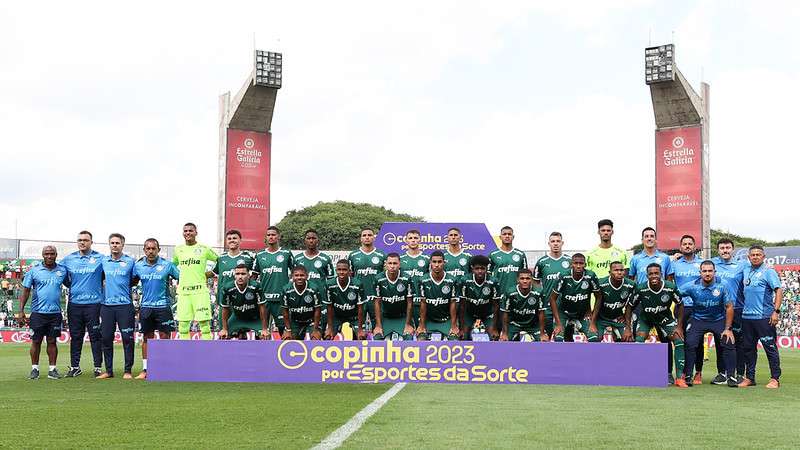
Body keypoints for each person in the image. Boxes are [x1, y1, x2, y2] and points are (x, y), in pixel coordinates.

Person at [625, 263, 687, 388]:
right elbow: (629, 306)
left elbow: (680, 304)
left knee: (679, 340)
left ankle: (680, 378)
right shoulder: (641, 288)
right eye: (651, 274)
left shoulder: (670, 287)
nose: (654, 276)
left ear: (661, 274)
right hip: (646, 319)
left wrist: (679, 326)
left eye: (656, 273)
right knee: (639, 341)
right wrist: (628, 327)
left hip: (665, 319)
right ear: (647, 275)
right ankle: (637, 375)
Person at [680, 260, 738, 387]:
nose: (707, 273)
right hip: (697, 319)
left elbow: (729, 307)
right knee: (690, 343)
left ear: (714, 272)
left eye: (710, 271)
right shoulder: (691, 286)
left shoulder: (723, 285)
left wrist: (728, 328)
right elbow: (676, 294)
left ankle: (731, 376)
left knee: (728, 342)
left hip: (718, 319)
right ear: (700, 272)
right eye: (704, 271)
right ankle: (688, 375)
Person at [17, 246, 68, 380]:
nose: (49, 256)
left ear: (56, 255)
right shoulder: (34, 271)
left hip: (55, 313)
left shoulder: (62, 270)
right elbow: (26, 290)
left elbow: (70, 283)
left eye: (52, 254)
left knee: (52, 341)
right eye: (47, 254)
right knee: (36, 341)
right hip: (38, 313)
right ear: (42, 255)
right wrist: (21, 311)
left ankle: (52, 370)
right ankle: (35, 369)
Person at [132, 238, 180, 379]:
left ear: (158, 250)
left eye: (154, 248)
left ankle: (165, 368)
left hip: (163, 306)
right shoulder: (138, 266)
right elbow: (133, 281)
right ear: (144, 250)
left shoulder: (168, 265)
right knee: (147, 338)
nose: (151, 251)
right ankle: (146, 370)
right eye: (148, 248)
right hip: (146, 307)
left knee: (165, 337)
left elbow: (181, 278)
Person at [60, 231, 104, 377]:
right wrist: (72, 286)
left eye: (85, 240)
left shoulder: (100, 258)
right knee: (76, 336)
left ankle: (98, 368)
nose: (82, 242)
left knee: (95, 336)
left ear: (91, 242)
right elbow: (62, 276)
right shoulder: (68, 259)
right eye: (80, 240)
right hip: (75, 304)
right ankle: (75, 367)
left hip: (94, 304)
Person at [738, 246, 782, 389]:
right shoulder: (745, 270)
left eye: (758, 254)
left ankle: (775, 378)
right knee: (749, 349)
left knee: (770, 348)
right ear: (748, 257)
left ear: (763, 257)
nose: (755, 257)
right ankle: (750, 377)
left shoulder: (768, 271)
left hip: (764, 317)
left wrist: (776, 311)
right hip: (747, 317)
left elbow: (778, 290)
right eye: (752, 255)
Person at [97, 233, 137, 379]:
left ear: (122, 245)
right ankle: (108, 371)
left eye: (117, 243)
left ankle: (127, 371)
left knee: (127, 338)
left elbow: (135, 279)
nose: (115, 245)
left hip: (125, 306)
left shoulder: (130, 262)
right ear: (109, 244)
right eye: (112, 243)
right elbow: (99, 278)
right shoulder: (103, 262)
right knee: (106, 338)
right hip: (107, 306)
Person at [671, 235, 709, 385]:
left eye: (690, 244)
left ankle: (698, 372)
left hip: (697, 307)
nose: (687, 246)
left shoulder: (702, 263)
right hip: (680, 307)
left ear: (694, 246)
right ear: (680, 247)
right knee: (681, 340)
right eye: (684, 244)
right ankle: (683, 372)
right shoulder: (674, 264)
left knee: (697, 341)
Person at [172, 223, 217, 340]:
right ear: (183, 233)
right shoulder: (178, 250)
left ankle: (206, 354)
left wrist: (210, 273)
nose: (188, 233)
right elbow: (172, 265)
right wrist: (178, 276)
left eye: (190, 231)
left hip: (200, 291)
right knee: (183, 326)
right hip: (183, 292)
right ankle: (185, 355)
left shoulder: (204, 249)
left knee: (205, 326)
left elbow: (220, 260)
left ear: (196, 233)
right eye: (185, 231)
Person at [711, 238, 747, 382]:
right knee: (721, 342)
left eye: (727, 247)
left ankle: (739, 374)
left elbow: (757, 266)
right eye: (722, 248)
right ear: (718, 250)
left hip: (737, 308)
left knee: (738, 343)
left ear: (733, 249)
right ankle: (722, 373)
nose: (725, 250)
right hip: (718, 309)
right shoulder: (712, 264)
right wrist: (677, 257)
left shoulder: (742, 264)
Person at [550, 253, 600, 342]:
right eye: (575, 263)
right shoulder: (563, 276)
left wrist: (592, 321)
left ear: (585, 264)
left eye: (581, 263)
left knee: (594, 338)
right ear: (571, 264)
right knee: (558, 338)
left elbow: (599, 297)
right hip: (564, 313)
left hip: (582, 314)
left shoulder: (591, 276)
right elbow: (552, 299)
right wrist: (558, 323)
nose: (578, 266)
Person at [252, 226, 293, 335]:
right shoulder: (260, 255)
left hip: (281, 299)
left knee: (284, 331)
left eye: (273, 234)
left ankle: (283, 352)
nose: (271, 237)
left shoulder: (286, 253)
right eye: (269, 235)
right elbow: (254, 276)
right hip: (264, 299)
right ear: (266, 237)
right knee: (262, 333)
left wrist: (289, 288)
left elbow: (296, 272)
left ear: (278, 237)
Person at [294, 229, 334, 332]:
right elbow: (293, 280)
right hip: (302, 301)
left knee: (321, 332)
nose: (311, 240)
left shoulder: (325, 259)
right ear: (304, 240)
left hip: (320, 301)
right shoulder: (297, 259)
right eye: (308, 238)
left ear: (318, 240)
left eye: (313, 238)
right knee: (299, 333)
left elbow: (330, 282)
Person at [533, 232, 571, 340]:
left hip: (565, 306)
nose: (555, 244)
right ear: (549, 243)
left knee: (566, 337)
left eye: (558, 241)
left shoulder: (569, 261)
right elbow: (535, 283)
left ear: (562, 243)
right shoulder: (541, 262)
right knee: (548, 336)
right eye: (553, 241)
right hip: (547, 307)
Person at [348, 228, 386, 327]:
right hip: (359, 297)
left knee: (378, 327)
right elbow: (350, 277)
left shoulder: (382, 255)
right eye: (364, 235)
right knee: (358, 328)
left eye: (369, 235)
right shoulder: (353, 255)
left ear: (374, 238)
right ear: (360, 239)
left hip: (376, 297)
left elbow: (385, 277)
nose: (367, 237)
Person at [219, 264, 269, 340]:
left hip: (254, 319)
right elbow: (225, 309)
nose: (240, 276)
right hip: (237, 318)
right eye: (237, 274)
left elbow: (262, 307)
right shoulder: (227, 288)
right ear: (234, 275)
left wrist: (265, 329)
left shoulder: (256, 286)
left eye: (243, 274)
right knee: (223, 336)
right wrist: (224, 329)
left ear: (248, 275)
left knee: (265, 336)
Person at [418, 251, 459, 340]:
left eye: (439, 262)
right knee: (420, 340)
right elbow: (423, 303)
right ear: (430, 263)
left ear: (444, 263)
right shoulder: (423, 280)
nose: (437, 265)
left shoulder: (452, 280)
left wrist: (454, 325)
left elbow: (453, 304)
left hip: (446, 320)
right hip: (429, 320)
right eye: (434, 262)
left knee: (454, 340)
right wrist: (421, 325)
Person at [374, 253, 414, 340]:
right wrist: (378, 325)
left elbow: (410, 303)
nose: (392, 266)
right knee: (377, 338)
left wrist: (408, 324)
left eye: (395, 263)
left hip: (402, 318)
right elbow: (377, 303)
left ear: (399, 264)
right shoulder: (378, 279)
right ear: (386, 264)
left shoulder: (407, 278)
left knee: (409, 338)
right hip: (386, 317)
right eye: (390, 263)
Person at [499, 269, 547, 342]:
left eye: (528, 278)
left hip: (533, 325)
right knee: (504, 341)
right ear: (517, 280)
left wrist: (542, 333)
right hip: (515, 324)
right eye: (522, 278)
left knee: (544, 341)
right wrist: (505, 333)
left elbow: (541, 313)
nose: (525, 281)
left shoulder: (538, 292)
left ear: (531, 280)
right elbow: (505, 313)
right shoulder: (510, 292)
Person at [593, 261, 636, 341]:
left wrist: (627, 324)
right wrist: (592, 321)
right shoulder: (601, 283)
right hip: (601, 318)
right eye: (616, 270)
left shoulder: (631, 285)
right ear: (610, 272)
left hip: (618, 318)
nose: (619, 272)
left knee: (628, 339)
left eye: (621, 270)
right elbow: (595, 300)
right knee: (595, 338)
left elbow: (631, 305)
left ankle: (618, 351)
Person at [460, 255, 501, 340]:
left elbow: (496, 306)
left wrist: (494, 328)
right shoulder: (465, 280)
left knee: (494, 337)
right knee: (463, 336)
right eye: (477, 268)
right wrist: (461, 327)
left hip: (487, 313)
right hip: (469, 313)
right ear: (472, 269)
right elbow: (462, 305)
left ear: (486, 269)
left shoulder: (493, 281)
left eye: (482, 268)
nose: (480, 271)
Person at [324, 260, 366, 340]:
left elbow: (360, 308)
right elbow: (329, 307)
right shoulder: (329, 284)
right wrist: (329, 328)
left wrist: (360, 329)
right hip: (337, 316)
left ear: (349, 271)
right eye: (339, 270)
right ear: (336, 270)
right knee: (328, 337)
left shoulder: (357, 284)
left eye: (344, 270)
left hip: (354, 317)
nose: (341, 272)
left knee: (361, 337)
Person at [212, 230, 255, 308]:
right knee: (223, 320)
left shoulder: (248, 258)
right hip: (224, 299)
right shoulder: (221, 258)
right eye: (229, 238)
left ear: (240, 241)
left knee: (241, 320)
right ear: (226, 241)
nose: (232, 240)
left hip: (242, 300)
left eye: (234, 238)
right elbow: (213, 273)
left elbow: (255, 274)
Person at [281, 265, 322, 340]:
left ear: (307, 276)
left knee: (316, 338)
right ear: (292, 277)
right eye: (296, 275)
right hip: (295, 321)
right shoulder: (286, 290)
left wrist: (315, 329)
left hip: (311, 320)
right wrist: (288, 330)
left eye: (302, 275)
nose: (299, 278)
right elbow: (285, 311)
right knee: (287, 338)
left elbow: (318, 310)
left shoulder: (314, 289)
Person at [399, 229, 429, 325]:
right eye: (410, 238)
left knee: (422, 332)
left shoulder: (427, 259)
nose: (413, 240)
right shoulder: (400, 259)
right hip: (404, 303)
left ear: (420, 240)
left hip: (422, 302)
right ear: (406, 240)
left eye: (415, 238)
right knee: (406, 333)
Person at [489, 226, 528, 296]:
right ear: (500, 237)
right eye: (504, 234)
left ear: (513, 237)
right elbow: (488, 276)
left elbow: (526, 276)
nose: (507, 236)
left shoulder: (521, 254)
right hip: (498, 294)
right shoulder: (493, 255)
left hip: (516, 294)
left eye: (509, 234)